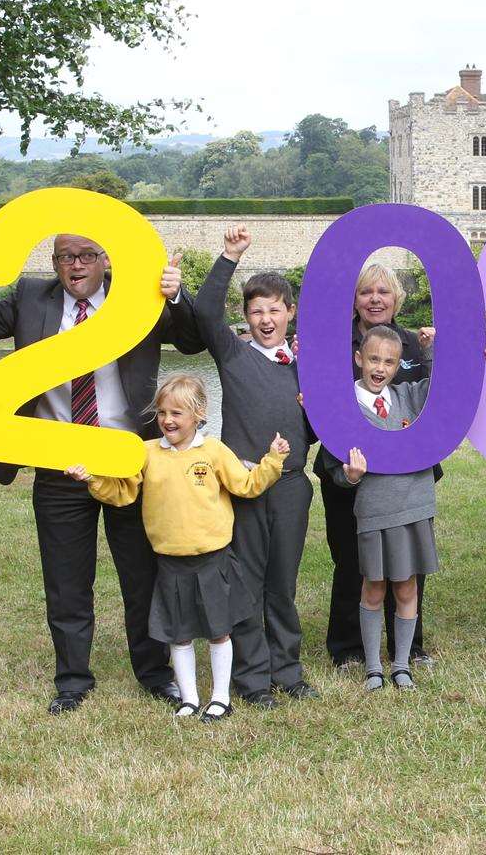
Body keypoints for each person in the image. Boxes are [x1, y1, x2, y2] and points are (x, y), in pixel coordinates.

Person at [0, 231, 203, 714]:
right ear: (55, 263)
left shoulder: (139, 295)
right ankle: (72, 681)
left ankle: (153, 674)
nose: (76, 265)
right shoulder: (29, 296)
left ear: (106, 259)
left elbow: (192, 340)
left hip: (128, 465)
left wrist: (177, 296)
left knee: (142, 576)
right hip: (60, 463)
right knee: (66, 579)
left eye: (86, 255)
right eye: (66, 257)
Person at [66, 374, 288, 722]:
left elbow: (246, 485)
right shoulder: (147, 452)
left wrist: (272, 462)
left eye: (177, 414)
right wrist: (92, 479)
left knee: (219, 631)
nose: (167, 420)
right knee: (178, 635)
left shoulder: (213, 451)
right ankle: (188, 698)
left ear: (199, 414)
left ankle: (219, 698)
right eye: (162, 413)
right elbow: (122, 493)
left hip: (213, 560)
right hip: (169, 563)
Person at [192, 227, 318, 707]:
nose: (266, 319)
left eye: (275, 310)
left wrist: (314, 411)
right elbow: (204, 312)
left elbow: (323, 427)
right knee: (246, 581)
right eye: (256, 311)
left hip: (290, 487)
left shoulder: (307, 365)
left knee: (282, 583)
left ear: (290, 313)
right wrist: (228, 257)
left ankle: (288, 669)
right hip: (244, 487)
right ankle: (252, 678)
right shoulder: (234, 354)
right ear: (245, 317)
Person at [312, 262, 435, 669]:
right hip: (350, 473)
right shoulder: (329, 342)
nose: (375, 299)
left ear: (396, 299)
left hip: (404, 476)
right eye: (366, 291)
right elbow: (317, 397)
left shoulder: (413, 345)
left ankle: (409, 649)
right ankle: (349, 649)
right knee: (353, 560)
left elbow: (435, 396)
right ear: (354, 299)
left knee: (405, 562)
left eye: (384, 291)